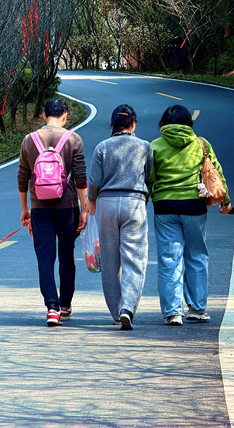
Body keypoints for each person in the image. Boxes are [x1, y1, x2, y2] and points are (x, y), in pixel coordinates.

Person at [150, 104, 231, 326]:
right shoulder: (201, 144)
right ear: (189, 123)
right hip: (194, 208)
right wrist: (226, 201)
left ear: (163, 124)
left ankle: (172, 312)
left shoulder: (154, 146)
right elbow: (216, 173)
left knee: (169, 259)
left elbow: (149, 178)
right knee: (196, 256)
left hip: (165, 208)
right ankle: (196, 308)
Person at [18, 98, 88, 327]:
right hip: (67, 207)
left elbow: (23, 177)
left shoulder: (30, 140)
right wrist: (84, 210)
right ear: (65, 116)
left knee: (45, 260)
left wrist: (25, 208)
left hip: (39, 209)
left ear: (44, 116)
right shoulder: (73, 139)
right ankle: (65, 305)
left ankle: (52, 308)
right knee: (67, 256)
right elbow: (80, 178)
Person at [87, 104, 154, 331]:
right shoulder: (144, 146)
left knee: (109, 260)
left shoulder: (102, 147)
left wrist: (91, 201)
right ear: (133, 124)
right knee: (134, 258)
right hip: (134, 203)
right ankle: (128, 307)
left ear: (113, 124)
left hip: (106, 203)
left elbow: (94, 181)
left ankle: (116, 313)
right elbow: (149, 176)